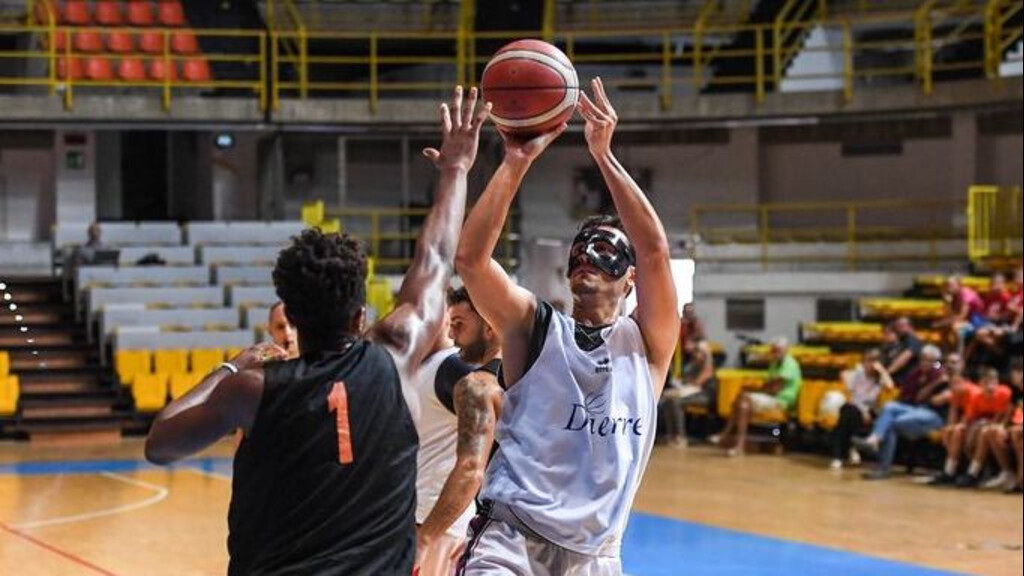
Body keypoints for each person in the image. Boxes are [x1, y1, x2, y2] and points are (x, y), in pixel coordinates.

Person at [144, 86, 489, 575]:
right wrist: (456, 170)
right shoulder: (395, 354)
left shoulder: (251, 389)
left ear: (290, 315)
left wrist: (227, 369)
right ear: (360, 316)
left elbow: (160, 444)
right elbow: (434, 258)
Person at [454, 77, 679, 575]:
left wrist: (604, 155)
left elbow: (656, 251)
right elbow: (470, 261)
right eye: (579, 248)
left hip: (596, 556)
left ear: (631, 278)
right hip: (513, 541)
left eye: (605, 246)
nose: (587, 255)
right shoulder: (535, 327)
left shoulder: (648, 344)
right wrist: (517, 160)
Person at [415, 288, 503, 576]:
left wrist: (425, 537)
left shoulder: (464, 376)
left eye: (459, 324)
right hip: (434, 521)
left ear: (489, 327)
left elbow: (470, 468)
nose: (453, 333)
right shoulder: (441, 367)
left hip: (439, 527)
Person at [855, 345, 949, 480]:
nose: (924, 362)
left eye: (929, 360)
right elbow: (907, 396)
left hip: (932, 415)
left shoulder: (940, 373)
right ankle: (874, 440)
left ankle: (882, 465)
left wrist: (935, 380)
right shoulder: (916, 373)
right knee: (889, 407)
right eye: (923, 359)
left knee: (891, 423)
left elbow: (924, 396)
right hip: (913, 410)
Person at [715, 337, 802, 457]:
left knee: (743, 399)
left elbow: (774, 388)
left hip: (782, 401)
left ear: (785, 350)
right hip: (771, 398)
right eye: (773, 350)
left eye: (777, 350)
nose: (774, 353)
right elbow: (767, 385)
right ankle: (736, 443)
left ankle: (727, 435)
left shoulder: (790, 364)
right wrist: (760, 389)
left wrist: (756, 390)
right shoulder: (774, 364)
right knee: (742, 403)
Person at [952, 367, 1014, 488]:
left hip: (1004, 427)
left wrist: (981, 426)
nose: (990, 386)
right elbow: (968, 418)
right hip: (984, 427)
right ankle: (958, 471)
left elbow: (1002, 417)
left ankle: (973, 473)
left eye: (992, 381)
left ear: (997, 382)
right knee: (960, 432)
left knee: (985, 432)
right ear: (980, 384)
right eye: (986, 382)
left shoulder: (1004, 393)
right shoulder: (977, 396)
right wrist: (964, 427)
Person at [830, 348, 891, 470]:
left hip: (871, 410)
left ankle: (840, 455)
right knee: (847, 412)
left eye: (870, 361)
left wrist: (882, 370)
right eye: (865, 361)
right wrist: (862, 410)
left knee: (845, 418)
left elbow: (890, 386)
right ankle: (847, 450)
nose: (866, 364)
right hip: (856, 408)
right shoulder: (858, 374)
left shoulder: (880, 379)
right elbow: (852, 394)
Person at [926, 354, 979, 485]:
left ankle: (950, 471)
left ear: (964, 382)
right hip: (969, 422)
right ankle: (951, 470)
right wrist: (948, 428)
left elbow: (970, 415)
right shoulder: (956, 393)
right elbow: (953, 412)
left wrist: (958, 426)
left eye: (957, 384)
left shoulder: (972, 392)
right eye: (952, 384)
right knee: (949, 431)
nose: (954, 387)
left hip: (979, 420)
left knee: (957, 432)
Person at [659, 337, 716, 447]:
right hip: (692, 393)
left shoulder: (708, 367)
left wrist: (684, 384)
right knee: (668, 401)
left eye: (699, 352)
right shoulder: (693, 365)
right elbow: (685, 380)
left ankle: (680, 436)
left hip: (705, 395)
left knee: (676, 402)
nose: (696, 354)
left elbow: (697, 383)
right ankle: (671, 434)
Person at [980, 359, 1023, 493]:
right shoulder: (1016, 391)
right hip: (1015, 427)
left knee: (1018, 434)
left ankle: (1020, 480)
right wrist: (1002, 427)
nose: (1012, 376)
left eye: (1016, 372)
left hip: (1019, 429)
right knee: (992, 431)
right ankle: (1008, 473)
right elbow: (1008, 414)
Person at [933, 275, 985, 351]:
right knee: (943, 329)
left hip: (977, 321)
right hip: (965, 321)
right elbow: (950, 315)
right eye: (947, 285)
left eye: (951, 285)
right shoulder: (953, 296)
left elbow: (962, 315)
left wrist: (944, 322)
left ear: (958, 285)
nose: (949, 287)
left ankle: (959, 353)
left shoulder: (965, 293)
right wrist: (948, 303)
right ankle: (948, 351)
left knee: (955, 327)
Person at [883, 318, 922, 385]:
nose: (899, 329)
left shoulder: (912, 340)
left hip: (906, 381)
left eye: (901, 326)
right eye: (897, 327)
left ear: (910, 327)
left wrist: (886, 372)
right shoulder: (902, 340)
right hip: (897, 380)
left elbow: (903, 358)